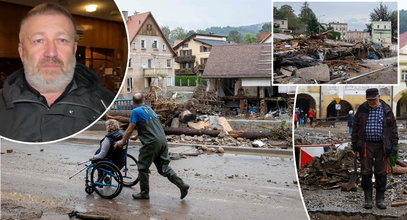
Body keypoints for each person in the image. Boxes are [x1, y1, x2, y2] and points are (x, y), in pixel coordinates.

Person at [0, 3, 114, 142]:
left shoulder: (107, 104)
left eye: (62, 40)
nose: (51, 53)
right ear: (22, 52)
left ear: (73, 50)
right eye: (39, 40)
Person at [115, 93, 190, 200]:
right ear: (144, 100)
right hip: (162, 141)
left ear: (133, 102)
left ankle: (144, 193)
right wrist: (137, 136)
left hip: (151, 143)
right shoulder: (149, 109)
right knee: (163, 168)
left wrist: (122, 141)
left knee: (142, 167)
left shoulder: (135, 111)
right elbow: (149, 126)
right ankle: (182, 185)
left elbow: (130, 128)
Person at [351, 88, 398, 209]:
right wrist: (355, 143)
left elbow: (393, 128)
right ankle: (368, 199)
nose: (371, 102)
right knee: (365, 171)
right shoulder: (362, 109)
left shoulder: (386, 110)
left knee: (381, 172)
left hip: (382, 145)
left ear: (379, 97)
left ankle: (380, 199)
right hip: (366, 145)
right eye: (369, 100)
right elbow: (355, 127)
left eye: (373, 99)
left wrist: (394, 145)